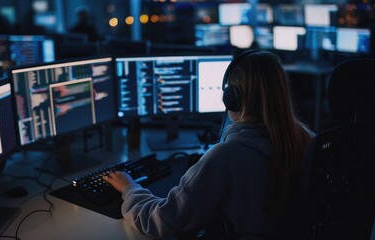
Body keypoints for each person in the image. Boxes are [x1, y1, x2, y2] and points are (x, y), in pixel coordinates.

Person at [103, 50, 314, 239]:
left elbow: (159, 223)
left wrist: (130, 188)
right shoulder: (306, 139)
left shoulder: (227, 156)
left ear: (232, 99)